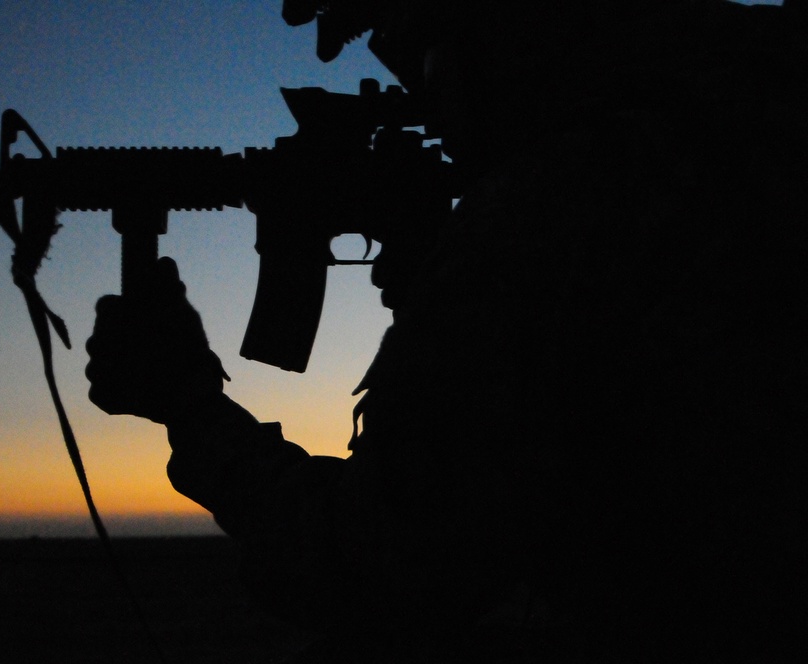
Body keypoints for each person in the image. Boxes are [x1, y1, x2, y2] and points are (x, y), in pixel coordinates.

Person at [86, 1, 807, 661]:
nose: (428, 100)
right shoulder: (743, 118)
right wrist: (434, 287)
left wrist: (190, 406)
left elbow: (376, 567)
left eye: (423, 54)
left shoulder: (560, 200)